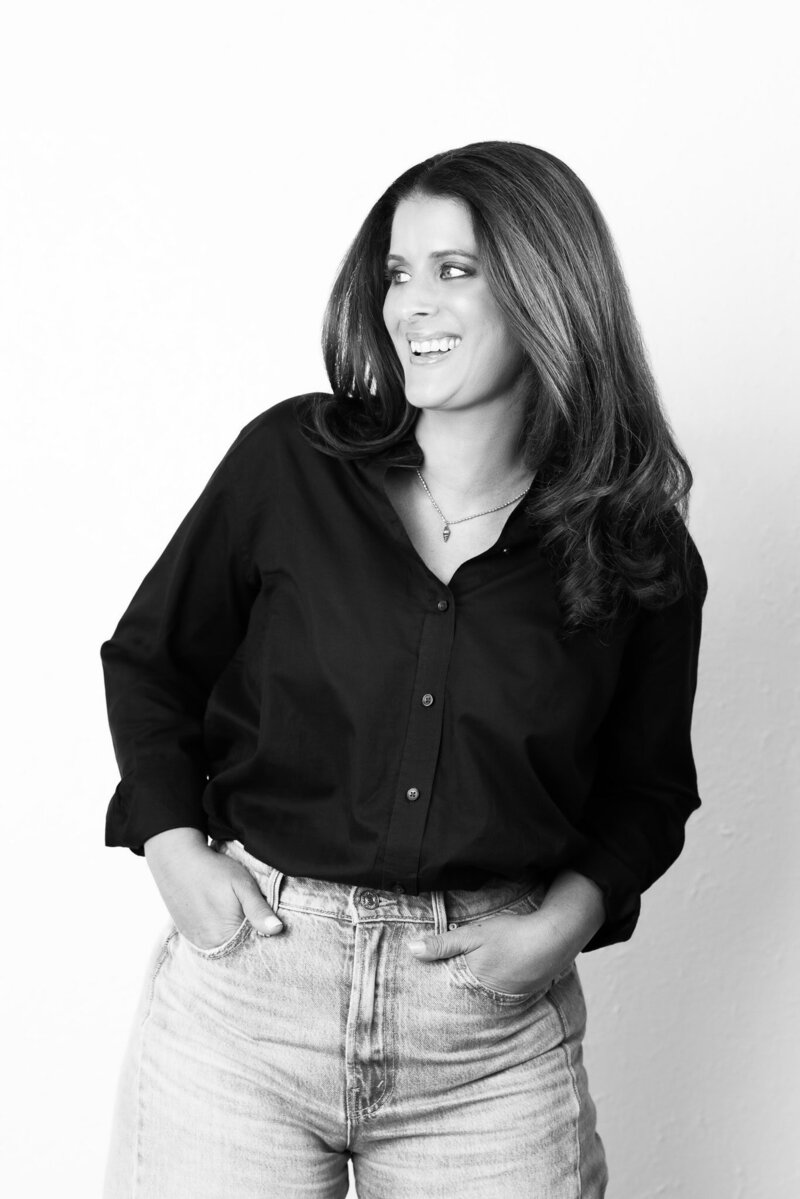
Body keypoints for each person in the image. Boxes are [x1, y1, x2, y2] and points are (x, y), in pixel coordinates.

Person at [101, 140, 707, 1198]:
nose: (408, 304)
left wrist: (556, 929)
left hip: (483, 1038)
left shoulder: (630, 548)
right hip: (251, 994)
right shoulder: (290, 464)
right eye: (394, 271)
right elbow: (153, 658)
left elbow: (647, 791)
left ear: (547, 289)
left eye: (453, 270)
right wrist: (173, 849)